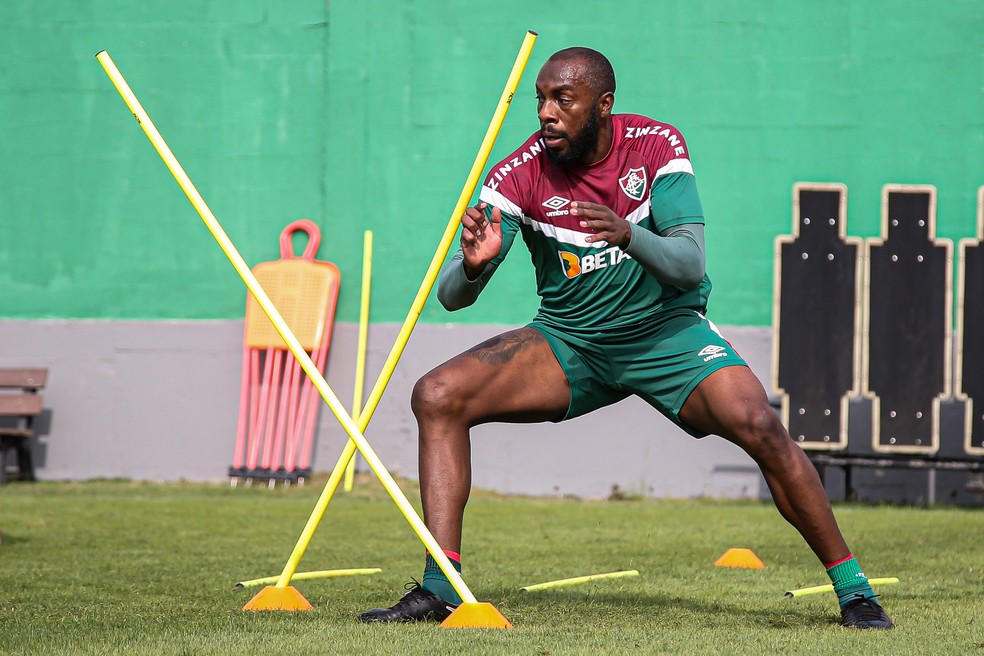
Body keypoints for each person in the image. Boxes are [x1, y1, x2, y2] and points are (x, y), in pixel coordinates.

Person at [359, 47, 893, 630]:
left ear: (602, 104)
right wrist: (476, 265)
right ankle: (442, 587)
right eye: (540, 99)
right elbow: (452, 296)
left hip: (666, 333)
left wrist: (628, 235)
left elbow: (689, 264)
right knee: (436, 394)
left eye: (563, 99)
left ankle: (854, 592)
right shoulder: (518, 173)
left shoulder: (657, 146)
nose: (546, 112)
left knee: (761, 425)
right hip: (569, 343)